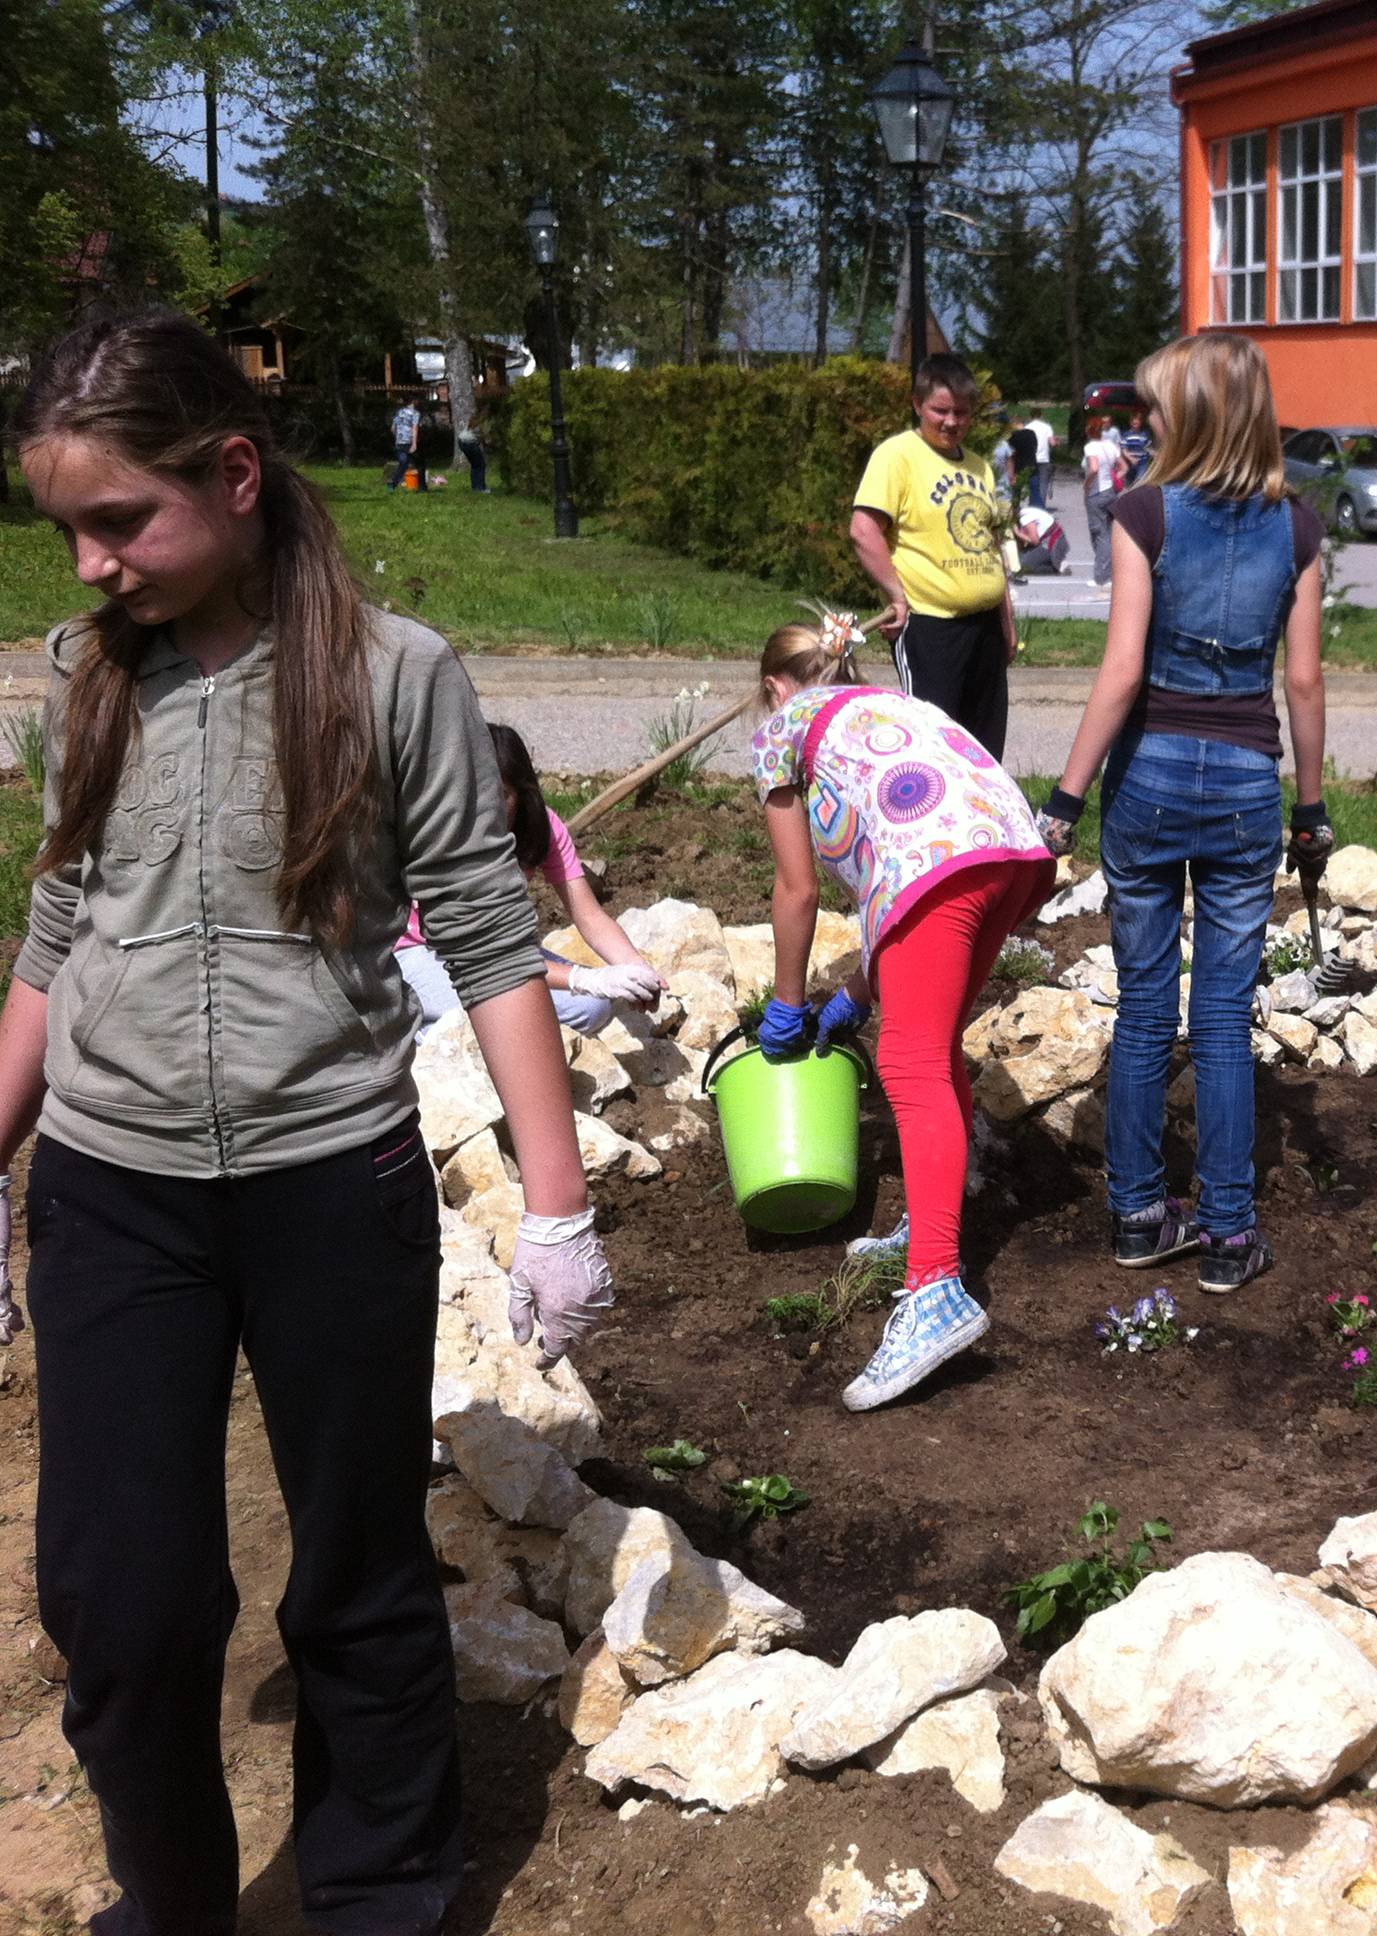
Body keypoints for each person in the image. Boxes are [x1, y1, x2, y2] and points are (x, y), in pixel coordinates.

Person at [0, 306, 614, 1935]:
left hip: (331, 1185)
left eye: (120, 520)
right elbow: (56, 936)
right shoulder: (90, 678)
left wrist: (557, 1205)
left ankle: (380, 1893)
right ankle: (171, 1905)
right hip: (112, 1191)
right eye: (67, 531)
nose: (91, 564)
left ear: (236, 473)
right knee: (120, 1602)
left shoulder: (395, 676)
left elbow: (487, 935)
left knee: (356, 1574)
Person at [1035, 333, 1329, 1295]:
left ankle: (1136, 1216)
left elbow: (1122, 670)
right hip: (1246, 785)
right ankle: (1231, 1233)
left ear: (1196, 416)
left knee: (1145, 1008)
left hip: (1149, 781)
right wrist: (1312, 808)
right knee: (1224, 1020)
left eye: (1158, 406)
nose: (1146, 422)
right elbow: (1304, 682)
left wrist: (1065, 800)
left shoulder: (1144, 513)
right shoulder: (1299, 529)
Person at [749, 609, 1056, 1409]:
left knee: (909, 1062)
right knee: (934, 1045)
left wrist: (787, 1005)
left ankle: (935, 1291)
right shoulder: (886, 704)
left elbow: (797, 889)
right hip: (1007, 849)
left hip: (938, 861)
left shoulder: (782, 727)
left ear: (776, 686)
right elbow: (899, 851)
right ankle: (933, 1223)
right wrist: (857, 993)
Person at [395, 722, 667, 1037]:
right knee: (492, 1018)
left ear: (522, 795)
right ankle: (416, 1033)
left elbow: (589, 915)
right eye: (473, 792)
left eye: (500, 795)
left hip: (497, 953)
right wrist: (582, 978)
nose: (484, 807)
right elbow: (481, 949)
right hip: (420, 951)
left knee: (592, 1008)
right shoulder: (443, 831)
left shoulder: (542, 828)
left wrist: (635, 967)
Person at [851, 354, 1018, 760]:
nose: (951, 422)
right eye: (940, 411)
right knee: (935, 750)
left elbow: (991, 544)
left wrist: (1006, 621)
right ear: (917, 404)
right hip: (931, 626)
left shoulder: (980, 468)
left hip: (984, 628)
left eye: (961, 412)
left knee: (983, 750)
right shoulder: (898, 455)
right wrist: (896, 594)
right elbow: (864, 530)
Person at [1081, 414, 1127, 589]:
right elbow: (1124, 467)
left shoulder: (1090, 447)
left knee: (1099, 534)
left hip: (1096, 492)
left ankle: (1102, 577)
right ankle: (1109, 571)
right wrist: (1115, 478)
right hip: (1110, 492)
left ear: (1089, 430)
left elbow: (1093, 468)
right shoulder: (1111, 446)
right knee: (1107, 532)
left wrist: (1086, 485)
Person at [1023, 408, 1057, 509]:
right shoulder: (1046, 427)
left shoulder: (1027, 427)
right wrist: (1056, 442)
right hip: (1044, 458)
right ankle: (1041, 506)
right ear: (1041, 415)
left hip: (1031, 458)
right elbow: (1052, 443)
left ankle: (1032, 503)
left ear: (1030, 416)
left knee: (1032, 481)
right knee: (1043, 482)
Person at [389, 396, 421, 491]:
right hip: (409, 441)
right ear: (414, 401)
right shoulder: (415, 413)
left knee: (403, 462)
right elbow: (415, 428)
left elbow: (393, 428)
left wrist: (397, 437)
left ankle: (393, 483)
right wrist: (414, 443)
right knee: (419, 463)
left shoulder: (400, 412)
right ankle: (420, 484)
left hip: (399, 442)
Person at [1120, 409, 1153, 485]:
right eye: (1133, 420)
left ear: (1141, 422)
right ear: (1130, 422)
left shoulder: (1145, 434)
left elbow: (1148, 448)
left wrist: (1154, 454)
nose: (1135, 422)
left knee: (1140, 483)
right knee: (1129, 483)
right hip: (1130, 463)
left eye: (1138, 420)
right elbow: (1124, 450)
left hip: (1143, 463)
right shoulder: (1126, 435)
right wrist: (1131, 459)